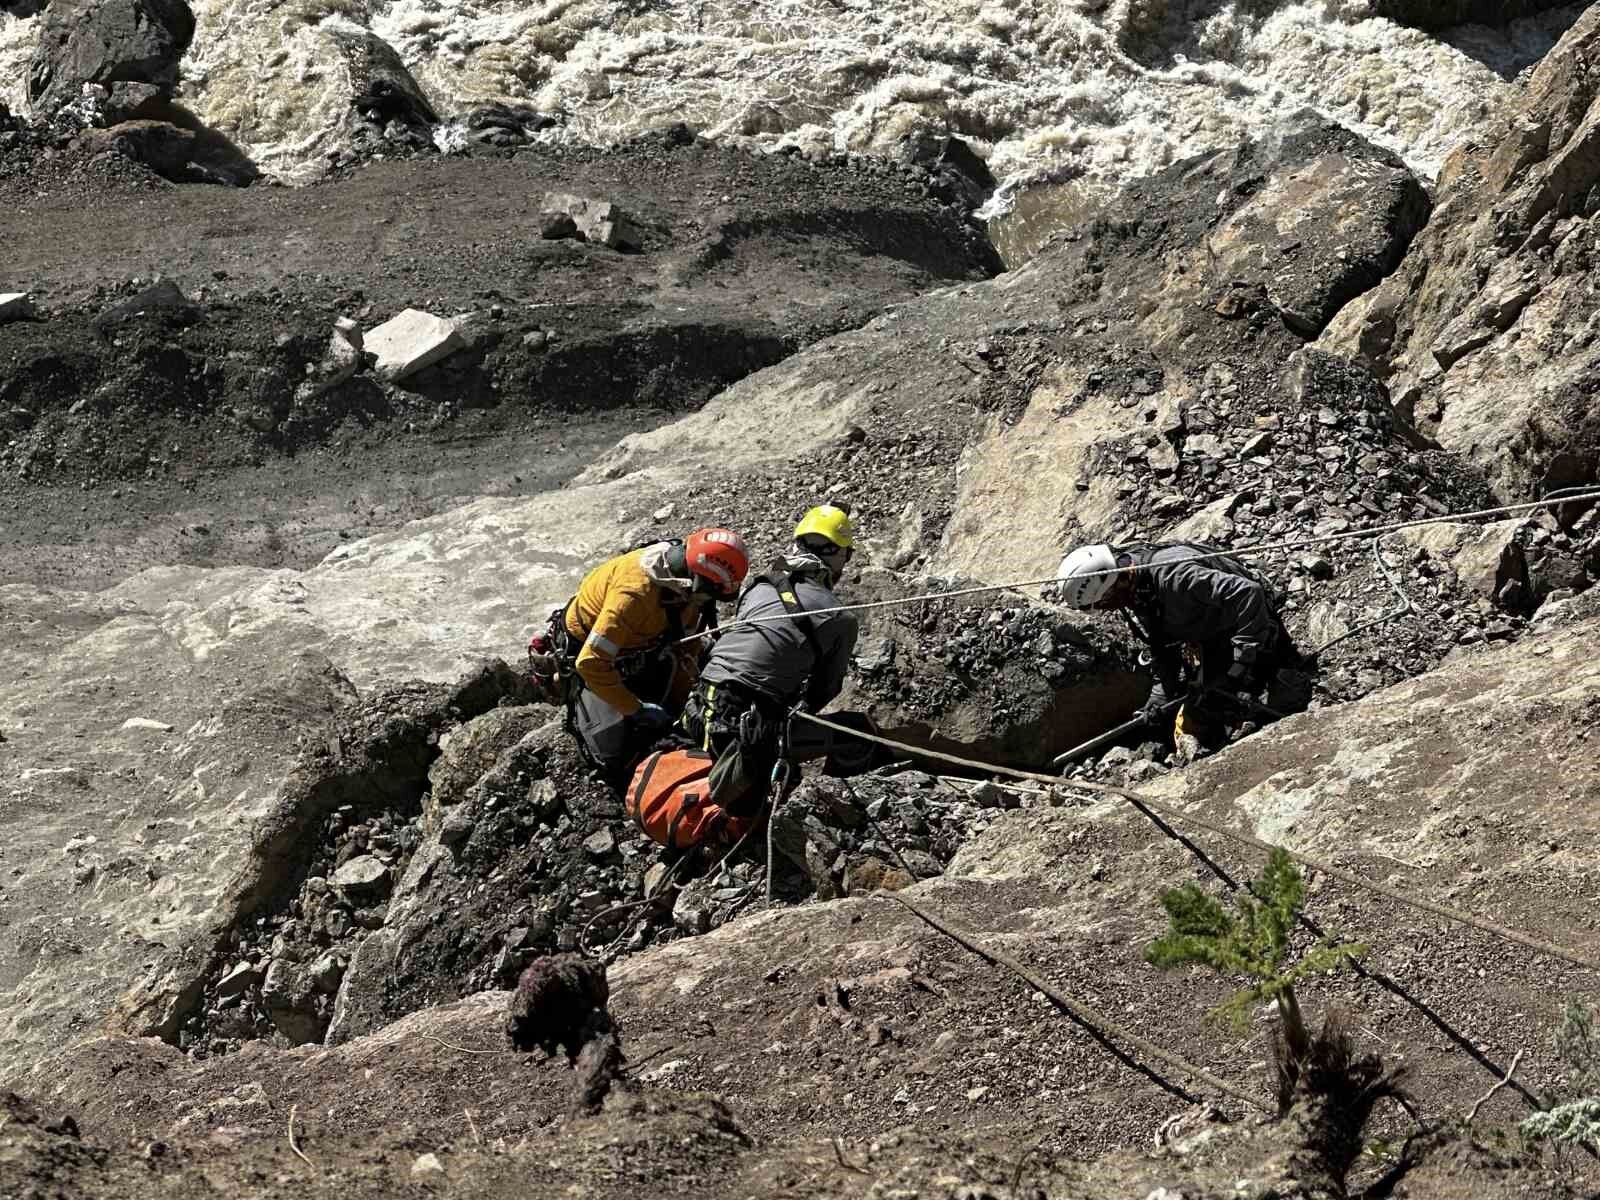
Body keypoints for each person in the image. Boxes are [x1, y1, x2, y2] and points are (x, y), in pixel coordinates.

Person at [681, 503, 873, 820]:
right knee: (857, 733)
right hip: (742, 727)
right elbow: (825, 690)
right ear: (839, 555)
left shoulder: (760, 586)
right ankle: (842, 817)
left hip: (697, 708)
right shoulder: (840, 618)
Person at [1053, 540, 1307, 750]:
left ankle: (1278, 677)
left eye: (1103, 604)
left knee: (1215, 705)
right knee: (1199, 709)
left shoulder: (1174, 576)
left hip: (1250, 626)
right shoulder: (1138, 587)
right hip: (1212, 632)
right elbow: (1163, 647)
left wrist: (1241, 663)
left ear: (1110, 587)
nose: (1107, 610)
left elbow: (1248, 593)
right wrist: (1157, 701)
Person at [556, 528, 750, 785]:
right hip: (591, 652)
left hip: (641, 645)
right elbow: (591, 663)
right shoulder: (634, 595)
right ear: (699, 581)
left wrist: (682, 701)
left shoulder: (687, 586)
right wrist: (634, 708)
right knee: (610, 752)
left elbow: (687, 645)